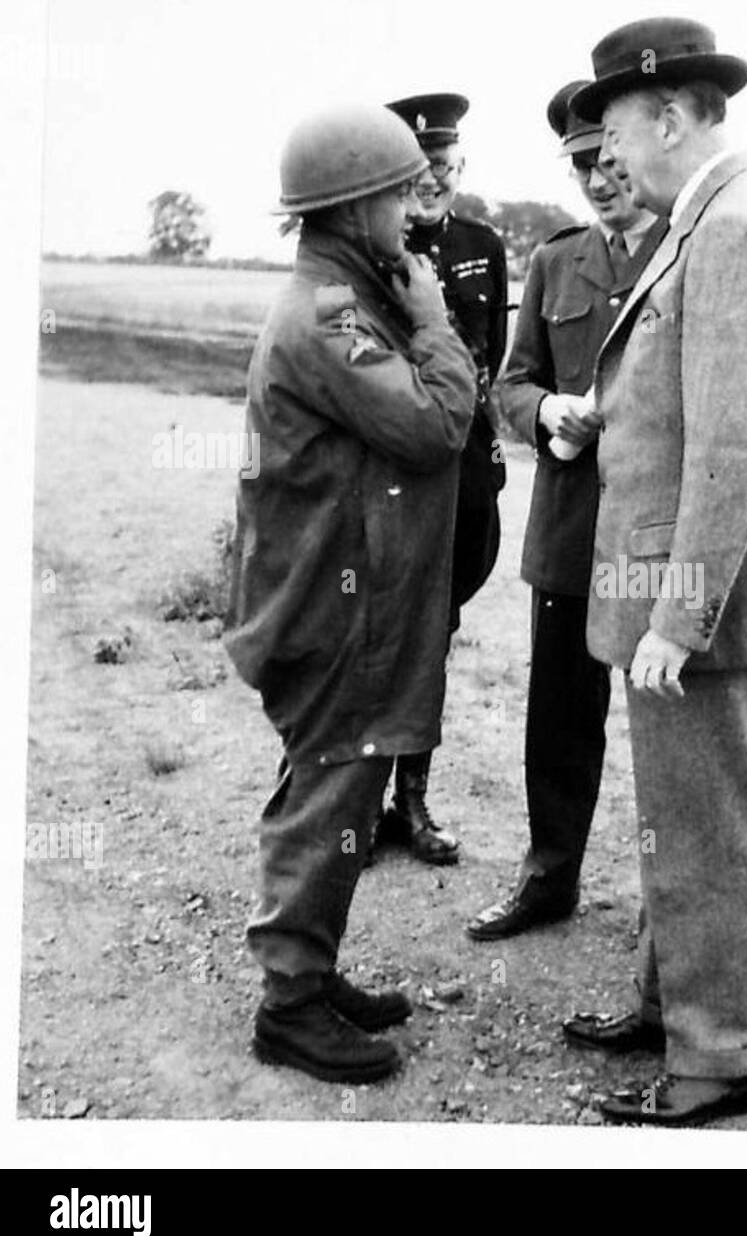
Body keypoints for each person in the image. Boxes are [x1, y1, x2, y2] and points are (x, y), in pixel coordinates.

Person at [558, 18, 747, 1126]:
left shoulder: (731, 228)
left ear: (669, 115)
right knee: (680, 810)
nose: (607, 152)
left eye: (617, 127)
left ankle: (721, 1055)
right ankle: (672, 999)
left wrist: (678, 616)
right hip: (692, 586)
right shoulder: (727, 212)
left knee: (707, 824)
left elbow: (733, 447)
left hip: (699, 599)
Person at [224, 102, 477, 1082]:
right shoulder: (333, 314)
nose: (413, 210)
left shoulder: (347, 295)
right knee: (332, 775)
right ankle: (288, 1003)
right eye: (398, 193)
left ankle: (309, 972)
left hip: (342, 591)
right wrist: (434, 318)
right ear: (354, 204)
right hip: (331, 605)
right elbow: (434, 424)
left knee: (342, 773)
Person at [466, 80, 667, 942]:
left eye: (608, 160)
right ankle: (550, 879)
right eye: (582, 163)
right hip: (571, 532)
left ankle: (676, 913)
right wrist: (547, 413)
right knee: (557, 718)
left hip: (661, 540)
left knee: (673, 729)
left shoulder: (689, 251)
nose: (598, 177)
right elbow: (511, 383)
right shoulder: (554, 262)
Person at [368, 92, 509, 867]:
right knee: (381, 631)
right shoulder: (370, 252)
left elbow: (493, 363)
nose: (434, 183)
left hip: (463, 470)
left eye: (446, 167)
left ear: (461, 166)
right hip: (394, 467)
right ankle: (361, 804)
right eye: (420, 170)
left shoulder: (486, 245)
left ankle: (411, 801)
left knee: (438, 630)